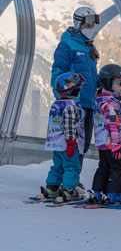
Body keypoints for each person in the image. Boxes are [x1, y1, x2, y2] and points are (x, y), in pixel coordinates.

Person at [51, 7, 100, 171]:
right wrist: (61, 97)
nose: (91, 27)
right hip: (74, 103)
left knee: (83, 145)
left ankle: (73, 179)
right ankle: (67, 180)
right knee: (71, 143)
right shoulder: (67, 45)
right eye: (88, 24)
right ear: (79, 24)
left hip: (88, 103)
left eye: (93, 24)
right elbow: (58, 71)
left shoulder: (88, 47)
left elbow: (92, 75)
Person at [40, 72, 86, 201]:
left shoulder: (57, 104)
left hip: (56, 143)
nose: (79, 92)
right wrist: (71, 143)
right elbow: (69, 125)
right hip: (68, 144)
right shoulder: (71, 106)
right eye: (78, 89)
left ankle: (52, 187)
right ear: (73, 90)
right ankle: (69, 190)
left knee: (58, 165)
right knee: (72, 166)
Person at [91, 64, 121, 204]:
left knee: (104, 166)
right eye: (120, 83)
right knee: (118, 168)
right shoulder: (111, 103)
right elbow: (113, 125)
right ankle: (115, 193)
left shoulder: (100, 99)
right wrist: (116, 145)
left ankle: (98, 192)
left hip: (103, 142)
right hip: (112, 142)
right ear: (107, 82)